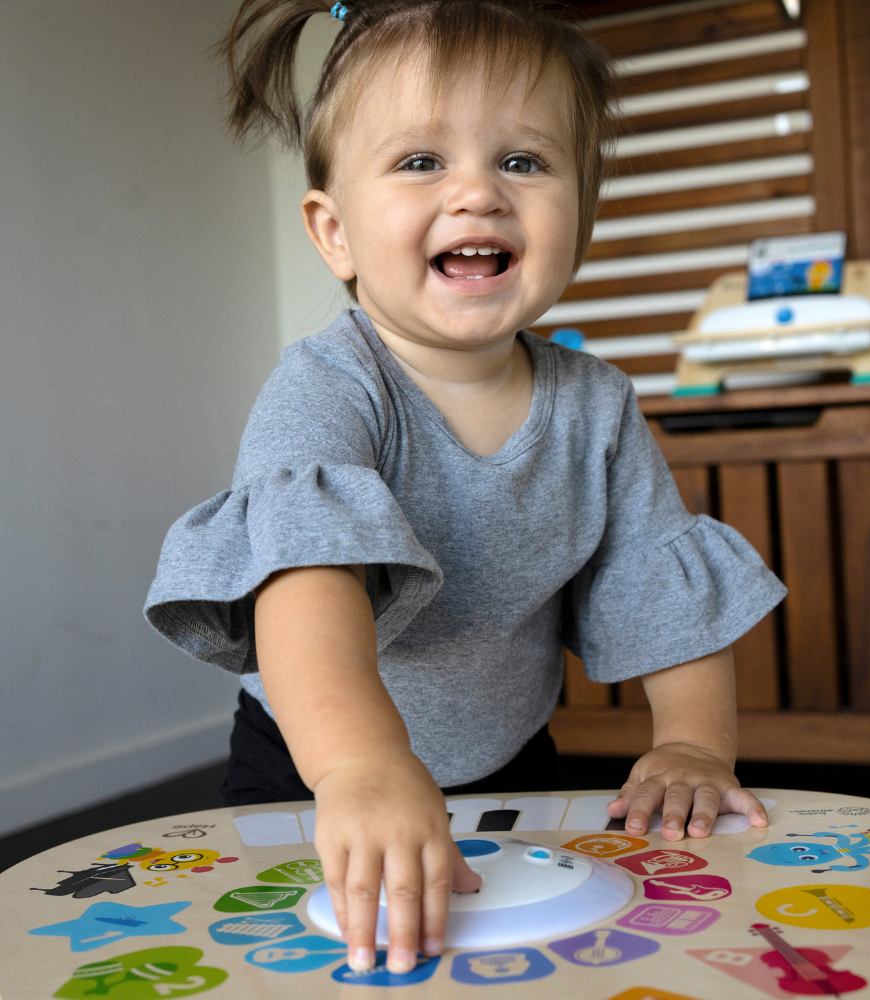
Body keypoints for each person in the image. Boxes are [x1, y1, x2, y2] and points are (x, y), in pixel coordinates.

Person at [145, 0, 785, 977]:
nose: (478, 192)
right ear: (334, 232)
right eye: (419, 162)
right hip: (313, 758)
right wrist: (358, 766)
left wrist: (694, 746)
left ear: (583, 215)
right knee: (320, 953)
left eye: (523, 161)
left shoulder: (597, 405)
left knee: (509, 955)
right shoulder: (328, 387)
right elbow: (305, 580)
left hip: (511, 756)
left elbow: (663, 581)